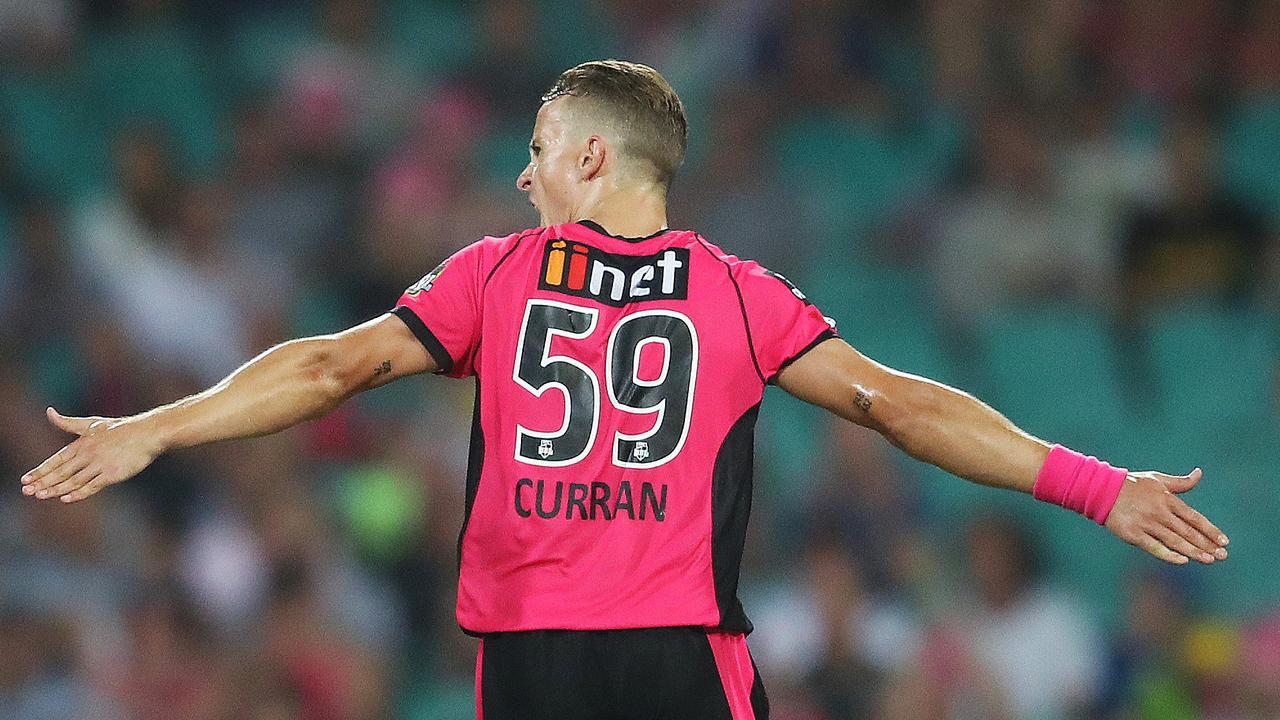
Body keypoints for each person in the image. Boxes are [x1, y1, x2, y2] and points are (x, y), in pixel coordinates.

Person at [19, 60, 1230, 720]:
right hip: (678, 663)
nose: (522, 170)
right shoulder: (739, 294)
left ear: (592, 156)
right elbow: (896, 407)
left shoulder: (491, 277)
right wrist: (1092, 485)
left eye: (539, 147)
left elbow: (333, 365)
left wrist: (157, 428)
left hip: (533, 667)